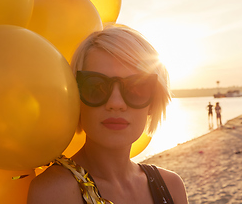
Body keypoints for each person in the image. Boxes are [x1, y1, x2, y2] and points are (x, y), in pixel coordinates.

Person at [27, 26, 188, 204]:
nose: (116, 103)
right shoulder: (55, 193)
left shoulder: (172, 186)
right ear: (76, 97)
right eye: (96, 87)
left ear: (153, 102)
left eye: (137, 88)